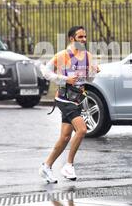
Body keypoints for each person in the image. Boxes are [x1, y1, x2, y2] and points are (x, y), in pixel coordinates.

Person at [39, 26, 100, 183]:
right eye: (80, 37)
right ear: (72, 39)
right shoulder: (63, 55)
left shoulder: (88, 56)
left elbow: (89, 80)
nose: (84, 40)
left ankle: (46, 166)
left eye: (85, 37)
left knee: (65, 136)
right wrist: (65, 79)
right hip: (65, 99)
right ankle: (69, 165)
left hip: (78, 98)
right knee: (82, 129)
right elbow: (46, 72)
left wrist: (93, 71)